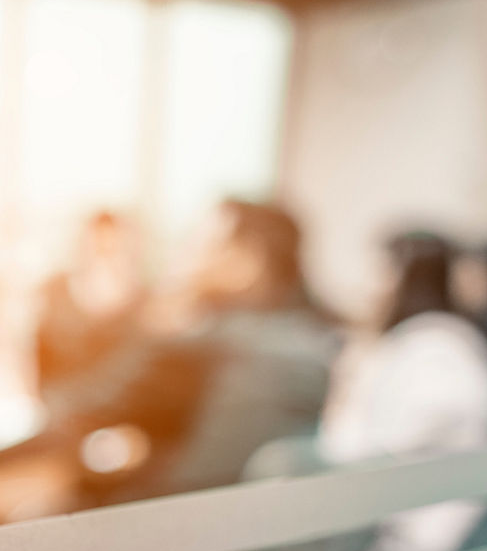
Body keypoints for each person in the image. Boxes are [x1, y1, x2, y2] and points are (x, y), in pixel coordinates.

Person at [44, 200, 338, 500]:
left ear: (245, 263)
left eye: (197, 244)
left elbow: (201, 489)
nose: (182, 256)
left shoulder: (250, 351)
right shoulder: (259, 335)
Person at [320, 231, 487, 551]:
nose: (366, 287)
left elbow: (357, 454)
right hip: (384, 527)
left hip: (410, 549)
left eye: (377, 272)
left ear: (404, 276)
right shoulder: (409, 343)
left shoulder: (437, 351)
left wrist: (347, 381)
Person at [35, 210, 145, 395]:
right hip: (53, 399)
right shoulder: (54, 290)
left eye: (112, 248)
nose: (103, 255)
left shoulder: (142, 302)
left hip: (112, 405)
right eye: (97, 246)